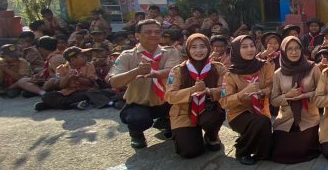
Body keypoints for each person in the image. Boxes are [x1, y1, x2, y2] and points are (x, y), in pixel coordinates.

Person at [108, 20, 181, 149]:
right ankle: (136, 134)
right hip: (139, 103)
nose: (153, 35)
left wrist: (154, 73)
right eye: (148, 32)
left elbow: (172, 71)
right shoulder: (127, 56)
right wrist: (136, 71)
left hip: (166, 102)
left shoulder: (170, 52)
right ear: (137, 35)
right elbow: (114, 82)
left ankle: (164, 122)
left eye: (157, 32)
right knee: (138, 119)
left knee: (185, 109)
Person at [164, 34, 226, 158]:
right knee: (189, 151)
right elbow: (170, 96)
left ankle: (211, 135)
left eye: (202, 46)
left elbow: (225, 91)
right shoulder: (178, 70)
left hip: (209, 108)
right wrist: (192, 90)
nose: (198, 51)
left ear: (209, 48)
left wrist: (209, 91)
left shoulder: (218, 68)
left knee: (212, 119)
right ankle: (189, 134)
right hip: (183, 112)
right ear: (188, 49)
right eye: (194, 47)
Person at [221, 35, 274, 165]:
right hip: (238, 114)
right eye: (244, 47)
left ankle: (258, 149)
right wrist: (243, 93)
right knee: (261, 122)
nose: (249, 49)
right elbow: (224, 102)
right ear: (236, 50)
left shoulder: (264, 66)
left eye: (251, 45)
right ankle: (242, 150)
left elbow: (272, 86)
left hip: (261, 109)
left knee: (264, 126)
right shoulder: (230, 74)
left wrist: (262, 92)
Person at [270, 36, 321, 164]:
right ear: (283, 52)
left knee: (301, 149)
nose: (294, 52)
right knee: (280, 152)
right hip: (286, 119)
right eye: (290, 49)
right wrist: (288, 95)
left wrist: (306, 95)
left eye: (297, 48)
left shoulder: (313, 68)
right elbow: (274, 100)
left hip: (308, 118)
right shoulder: (278, 74)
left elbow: (322, 93)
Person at [35, 47, 111, 111]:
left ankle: (54, 105)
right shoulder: (61, 68)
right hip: (68, 92)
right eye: (82, 56)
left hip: (84, 91)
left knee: (91, 93)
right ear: (73, 60)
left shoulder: (89, 65)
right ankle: (73, 104)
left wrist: (78, 79)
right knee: (47, 96)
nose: (86, 57)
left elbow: (91, 83)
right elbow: (61, 86)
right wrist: (68, 77)